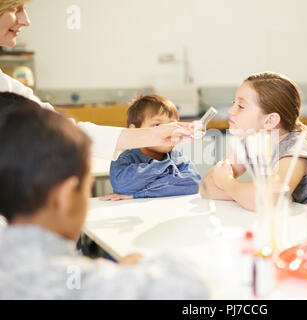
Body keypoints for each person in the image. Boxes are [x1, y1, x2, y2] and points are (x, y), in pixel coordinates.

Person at [0, 99, 210, 299]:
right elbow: (191, 285)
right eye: (86, 186)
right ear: (65, 197)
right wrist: (131, 267)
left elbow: (193, 181)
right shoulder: (85, 284)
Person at [0, 0, 195, 160]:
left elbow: (58, 130)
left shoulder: (7, 86)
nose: (26, 20)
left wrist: (155, 134)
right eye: (16, 9)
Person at [200, 72, 307, 211]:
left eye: (241, 106)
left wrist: (226, 181)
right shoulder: (250, 142)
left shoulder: (296, 151)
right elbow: (206, 186)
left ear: (270, 121)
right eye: (233, 103)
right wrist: (249, 194)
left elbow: (265, 201)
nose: (230, 110)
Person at [101, 95, 201, 201]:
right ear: (134, 131)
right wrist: (167, 170)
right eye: (157, 125)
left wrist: (139, 193)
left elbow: (193, 183)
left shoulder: (176, 156)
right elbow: (123, 187)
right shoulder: (125, 159)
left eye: (172, 126)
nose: (168, 132)